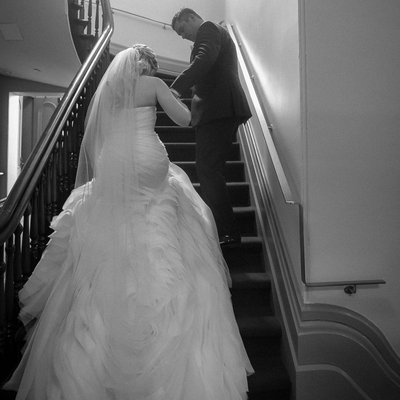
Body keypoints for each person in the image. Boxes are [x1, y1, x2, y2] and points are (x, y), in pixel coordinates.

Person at [3, 45, 253, 399]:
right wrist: (196, 97)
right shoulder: (152, 84)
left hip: (114, 161)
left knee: (113, 215)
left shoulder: (108, 91)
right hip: (147, 159)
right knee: (160, 204)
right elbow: (185, 120)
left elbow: (98, 134)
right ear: (148, 66)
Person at [170, 8, 252, 247]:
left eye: (182, 30)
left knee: (207, 169)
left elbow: (204, 58)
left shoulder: (209, 29)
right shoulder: (212, 34)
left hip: (219, 109)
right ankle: (224, 230)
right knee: (210, 169)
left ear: (191, 18)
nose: (183, 36)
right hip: (219, 110)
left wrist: (176, 88)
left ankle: (227, 232)